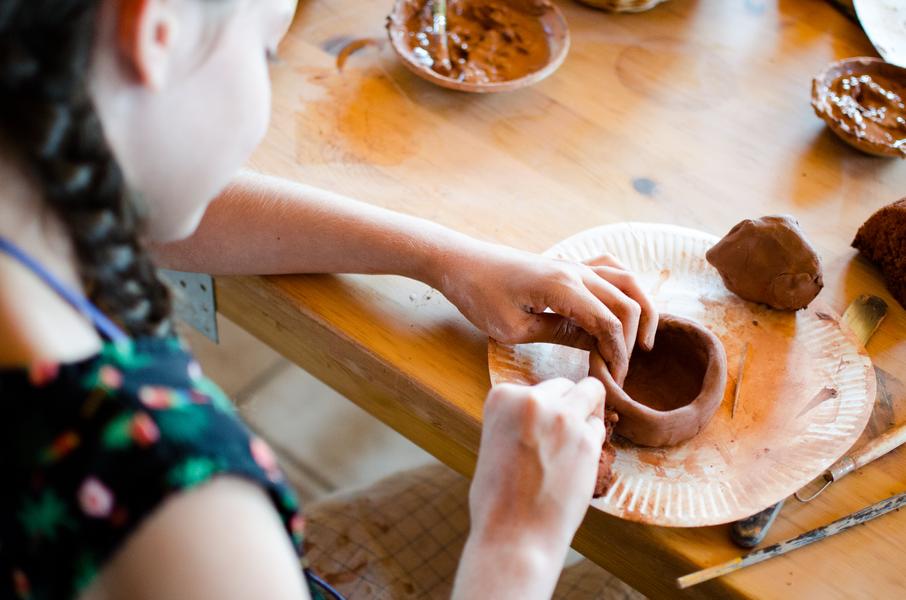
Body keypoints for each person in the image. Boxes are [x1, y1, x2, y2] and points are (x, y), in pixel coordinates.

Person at [0, 0, 658, 598]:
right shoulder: (170, 501)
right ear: (155, 37)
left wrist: (445, 258)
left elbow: (137, 190)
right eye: (266, 53)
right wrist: (517, 547)